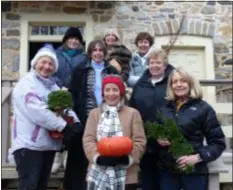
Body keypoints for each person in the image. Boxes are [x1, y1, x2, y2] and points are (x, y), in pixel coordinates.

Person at [9, 44, 82, 190]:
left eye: (51, 64)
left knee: (41, 186)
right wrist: (63, 126)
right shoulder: (27, 83)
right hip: (29, 146)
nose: (46, 66)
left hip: (47, 145)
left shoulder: (52, 86)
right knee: (30, 186)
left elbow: (66, 106)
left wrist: (75, 122)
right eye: (43, 62)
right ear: (35, 63)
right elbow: (37, 110)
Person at [158, 67, 226, 190]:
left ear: (190, 83)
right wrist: (158, 138)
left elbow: (218, 143)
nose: (178, 85)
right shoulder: (164, 108)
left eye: (183, 81)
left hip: (194, 172)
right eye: (175, 81)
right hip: (167, 171)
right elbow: (155, 133)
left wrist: (198, 157)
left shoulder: (204, 109)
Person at [64, 40, 118, 190]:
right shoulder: (80, 70)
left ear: (105, 52)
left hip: (106, 119)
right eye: (94, 50)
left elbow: (118, 93)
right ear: (90, 52)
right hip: (84, 118)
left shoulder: (112, 70)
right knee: (79, 159)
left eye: (101, 50)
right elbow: (72, 94)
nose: (98, 53)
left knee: (104, 156)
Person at [83, 75, 146, 190]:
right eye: (107, 90)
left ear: (121, 92)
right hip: (98, 172)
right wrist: (97, 158)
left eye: (115, 89)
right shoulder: (94, 114)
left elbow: (140, 141)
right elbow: (88, 139)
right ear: (103, 93)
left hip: (127, 174)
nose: (111, 94)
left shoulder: (133, 113)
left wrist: (129, 158)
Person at [129, 48, 174, 190]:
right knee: (147, 181)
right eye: (152, 62)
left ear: (165, 65)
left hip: (167, 142)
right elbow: (133, 109)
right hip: (146, 140)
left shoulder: (172, 83)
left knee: (166, 182)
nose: (154, 65)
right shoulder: (140, 84)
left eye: (158, 63)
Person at [51, 27, 87, 173]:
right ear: (65, 40)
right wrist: (59, 86)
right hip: (58, 93)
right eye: (71, 38)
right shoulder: (56, 54)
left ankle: (67, 156)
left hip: (76, 96)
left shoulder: (84, 57)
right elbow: (50, 72)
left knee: (72, 125)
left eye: (76, 39)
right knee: (57, 125)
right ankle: (56, 157)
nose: (73, 41)